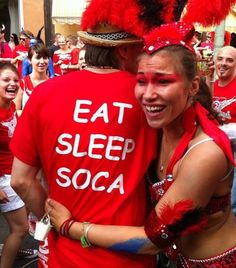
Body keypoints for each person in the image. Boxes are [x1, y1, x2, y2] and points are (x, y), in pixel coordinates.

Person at [43, 22, 236, 267]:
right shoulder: (158, 131)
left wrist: (70, 227)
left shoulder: (205, 154)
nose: (148, 94)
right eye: (141, 81)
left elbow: (152, 241)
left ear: (193, 86)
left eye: (163, 82)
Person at [10, 0, 158, 267]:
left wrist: (54, 218)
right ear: (124, 50)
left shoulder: (44, 94)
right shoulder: (149, 98)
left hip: (63, 254)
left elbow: (20, 180)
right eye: (141, 48)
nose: (144, 55)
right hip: (126, 256)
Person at [0, 62, 37, 268]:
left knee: (17, 225)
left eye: (15, 80)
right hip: (3, 178)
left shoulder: (11, 105)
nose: (12, 83)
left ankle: (14, 247)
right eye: (6, 80)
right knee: (20, 228)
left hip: (12, 174)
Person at [211, 46, 236, 216]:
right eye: (220, 59)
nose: (223, 63)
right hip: (218, 144)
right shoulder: (210, 84)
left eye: (229, 60)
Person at [14, 43, 50, 115]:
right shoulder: (22, 83)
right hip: (29, 125)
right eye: (38, 58)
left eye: (45, 58)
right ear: (29, 60)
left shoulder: (55, 82)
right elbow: (15, 112)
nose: (42, 61)